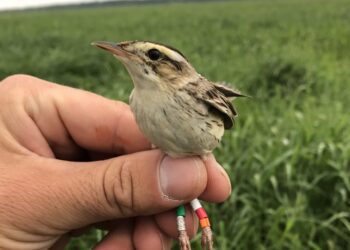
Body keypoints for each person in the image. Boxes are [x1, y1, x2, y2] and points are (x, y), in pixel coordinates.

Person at [0, 74, 232, 250]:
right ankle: (184, 230)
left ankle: (203, 226)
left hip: (195, 153)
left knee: (185, 187)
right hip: (170, 157)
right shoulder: (137, 100)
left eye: (152, 56)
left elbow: (227, 114)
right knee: (180, 191)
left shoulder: (196, 90)